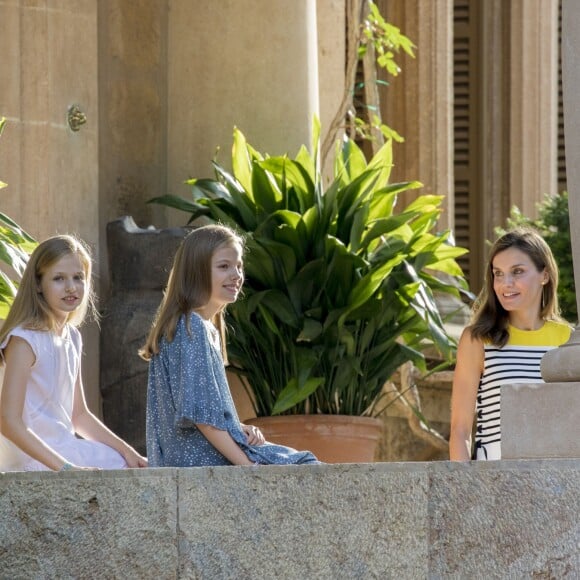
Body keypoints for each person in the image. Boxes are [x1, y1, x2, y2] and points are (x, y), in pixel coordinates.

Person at [140, 224, 318, 466]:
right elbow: (202, 419)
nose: (237, 275)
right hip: (201, 461)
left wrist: (239, 427)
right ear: (196, 271)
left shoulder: (200, 327)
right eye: (224, 266)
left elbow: (207, 415)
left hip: (204, 456)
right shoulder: (191, 326)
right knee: (306, 465)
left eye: (239, 266)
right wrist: (248, 466)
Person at [0, 235, 147, 472]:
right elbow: (9, 422)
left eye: (78, 277)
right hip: (29, 458)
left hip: (63, 449)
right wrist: (66, 468)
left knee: (125, 464)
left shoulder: (72, 337)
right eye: (58, 278)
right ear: (37, 284)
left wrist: (128, 452)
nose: (71, 287)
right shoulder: (24, 339)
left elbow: (79, 415)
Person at [450, 227, 572, 461]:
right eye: (498, 273)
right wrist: (464, 492)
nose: (506, 283)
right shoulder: (477, 339)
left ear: (544, 275)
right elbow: (460, 430)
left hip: (554, 480)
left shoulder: (567, 339)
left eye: (517, 272)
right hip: (491, 480)